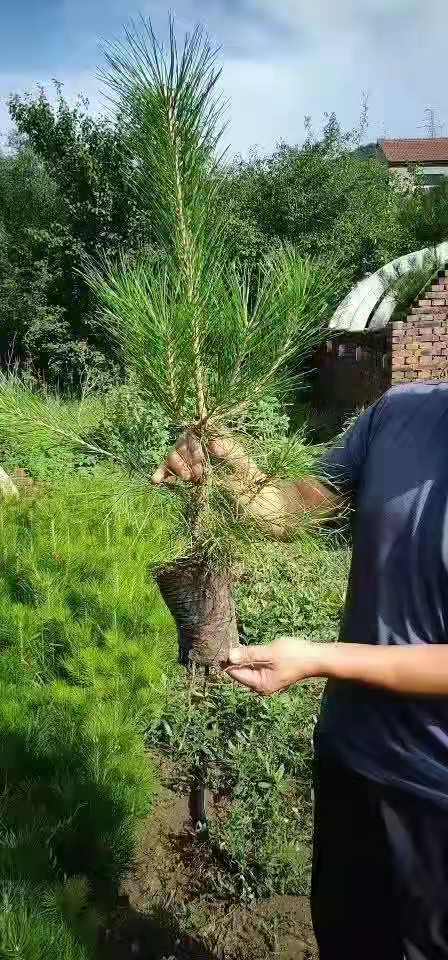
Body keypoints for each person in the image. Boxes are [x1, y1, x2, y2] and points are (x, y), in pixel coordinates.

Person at [153, 382, 448, 960]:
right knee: (344, 935)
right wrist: (224, 458)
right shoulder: (398, 413)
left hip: (434, 793)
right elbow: (287, 509)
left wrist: (319, 658)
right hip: (350, 756)